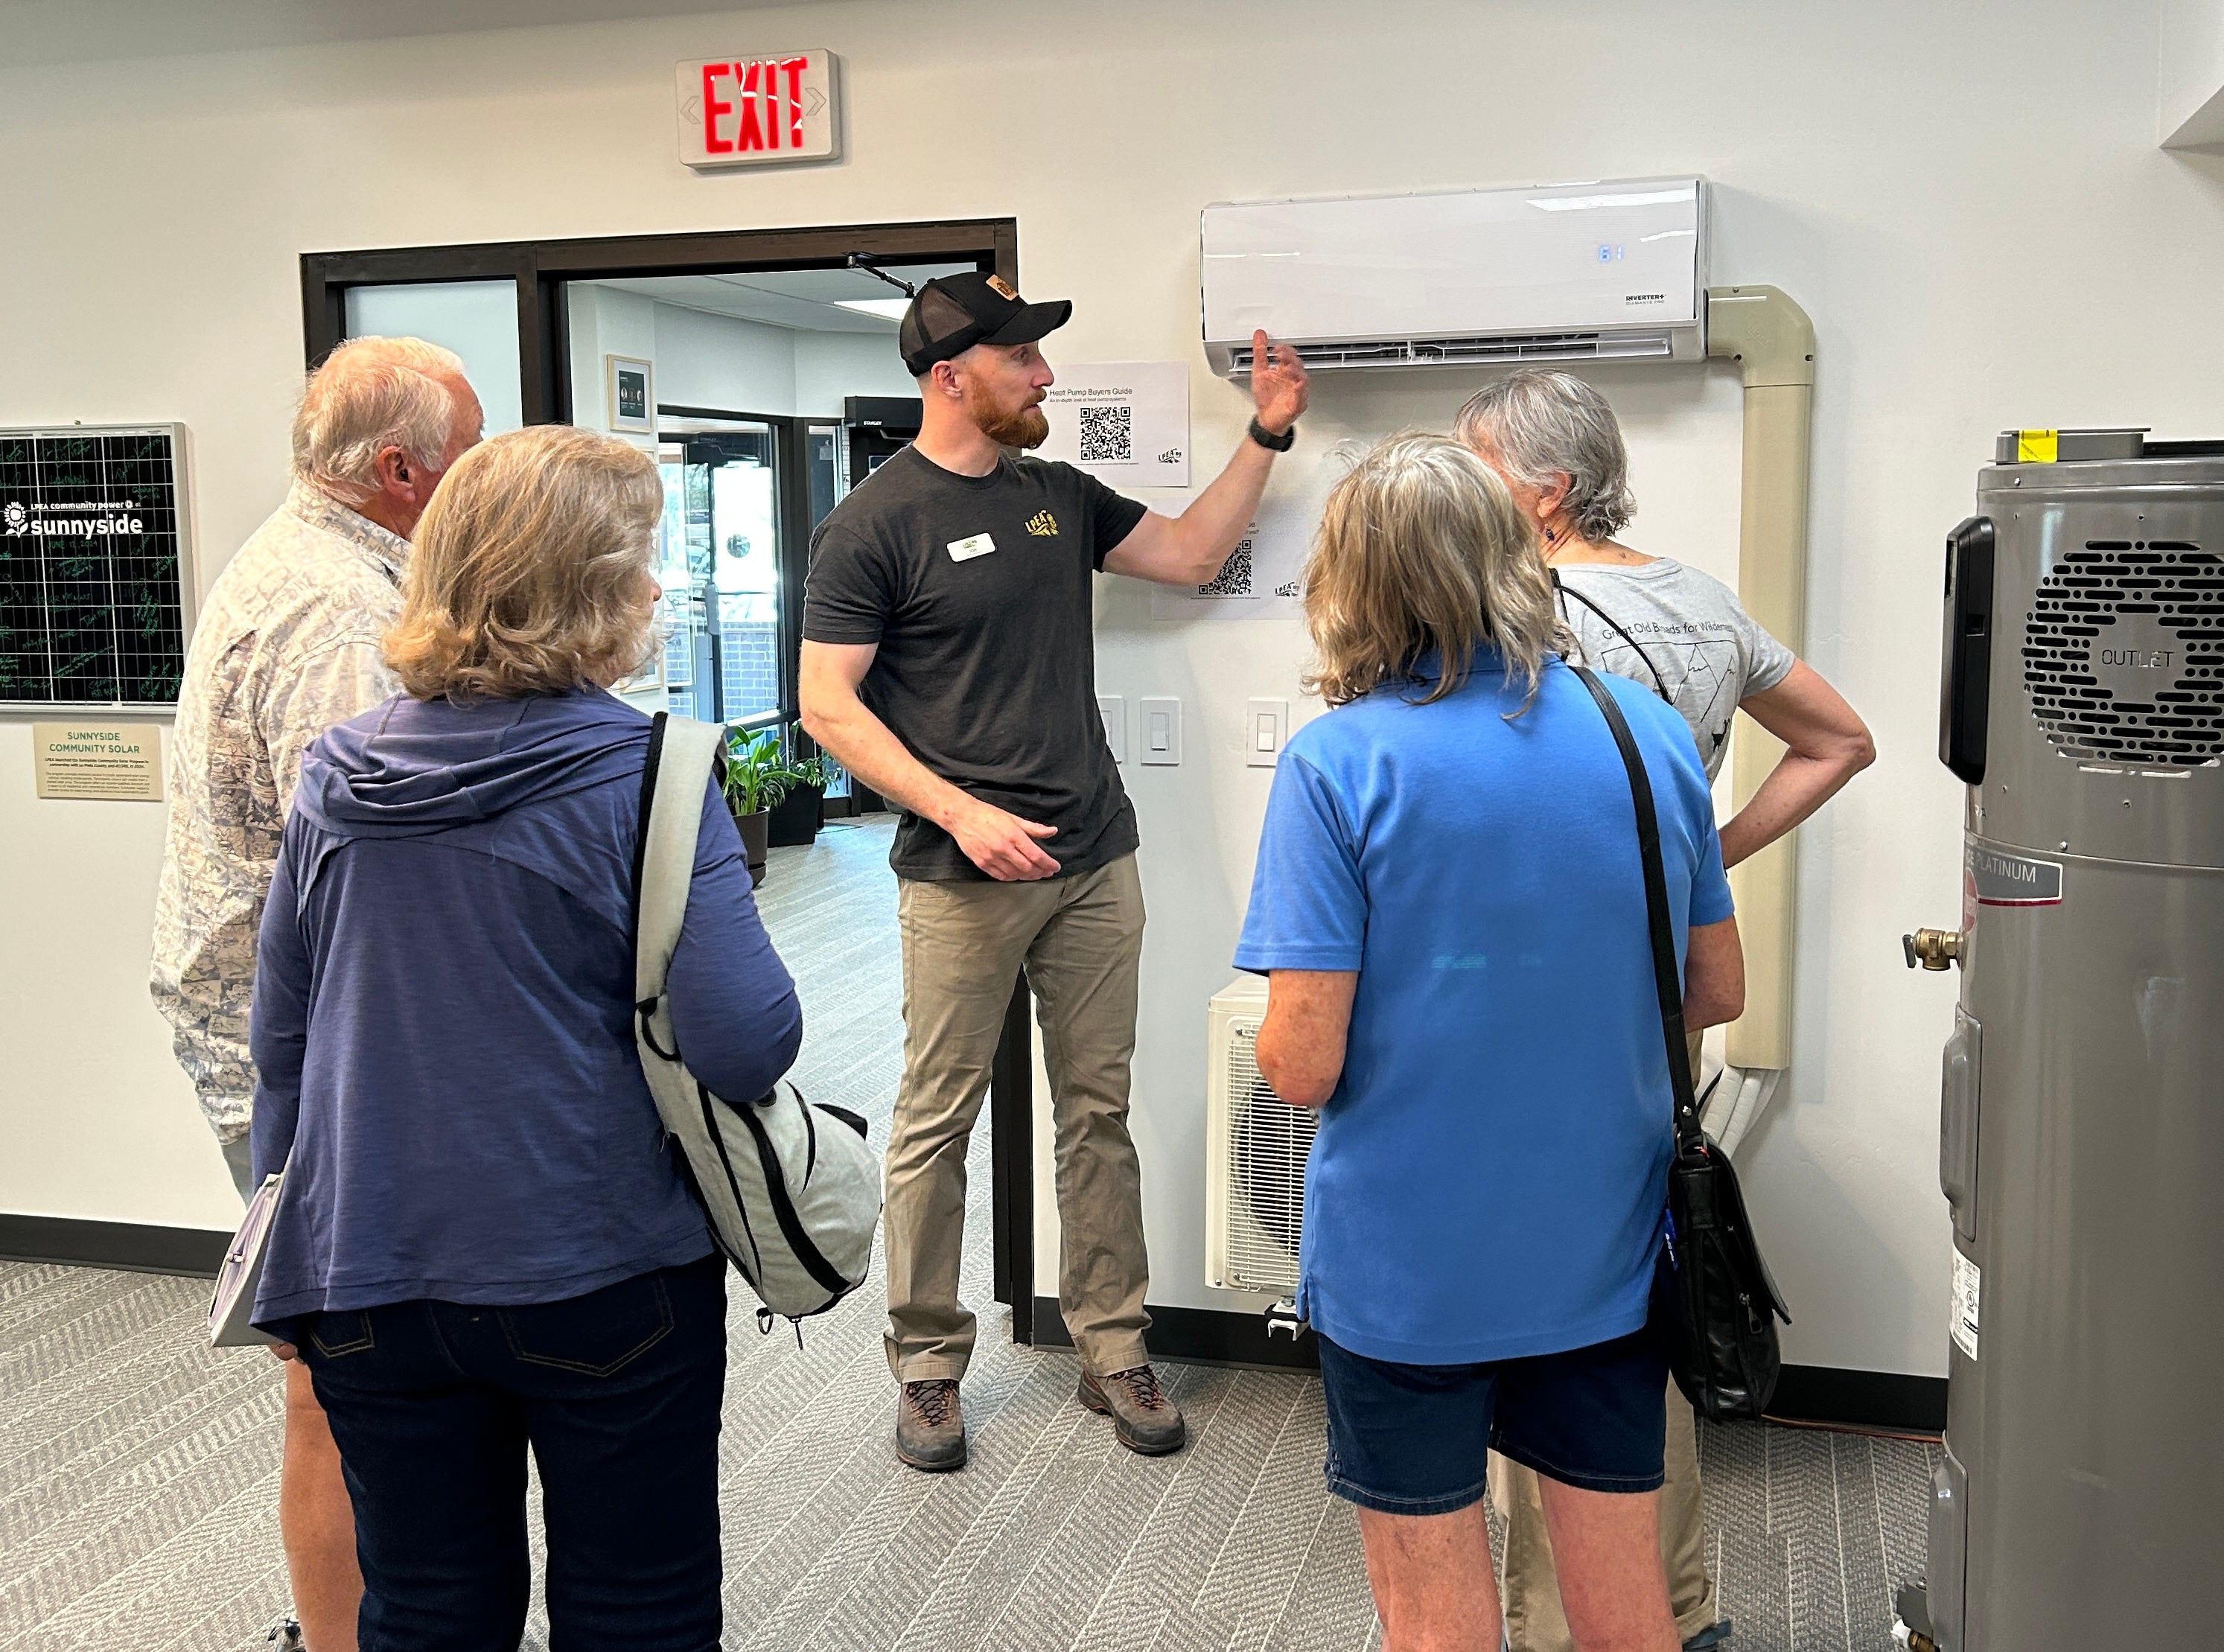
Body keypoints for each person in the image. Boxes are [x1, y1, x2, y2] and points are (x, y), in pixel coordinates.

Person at [248, 423, 802, 1652]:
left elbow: (280, 1039)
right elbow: (745, 1041)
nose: (661, 587)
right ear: (591, 591)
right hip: (599, 1265)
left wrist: (277, 1241)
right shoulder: (651, 776)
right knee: (636, 1607)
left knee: (429, 1608)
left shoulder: (337, 777)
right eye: (641, 560)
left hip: (368, 1271)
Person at [1236, 434, 1746, 1652]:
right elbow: (1713, 986)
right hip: (1604, 1244)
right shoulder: (1646, 735)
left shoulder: (1337, 762)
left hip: (1412, 1266)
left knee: (1435, 1617)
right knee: (1625, 1607)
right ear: (1519, 559)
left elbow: (1303, 1063)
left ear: (1353, 586)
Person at [798, 272, 1310, 1471]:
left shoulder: (1054, 496)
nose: (1043, 375)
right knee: (937, 1121)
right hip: (959, 877)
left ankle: (1111, 1345)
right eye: (1020, 358)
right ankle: (928, 1365)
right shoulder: (873, 523)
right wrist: (960, 814)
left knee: (1097, 1114)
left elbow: (1188, 556)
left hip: (1092, 858)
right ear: (950, 377)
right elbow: (827, 706)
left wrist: (1267, 432)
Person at [1456, 369, 1873, 1652]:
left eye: (1477, 470)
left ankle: (1553, 1620)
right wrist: (1701, 866)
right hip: (1656, 992)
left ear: (1544, 493)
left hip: (1531, 996)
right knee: (1640, 1281)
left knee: (1540, 1308)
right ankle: (1675, 1611)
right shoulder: (1699, 600)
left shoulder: (1521, 611)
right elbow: (1840, 739)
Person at [150, 334, 483, 1652]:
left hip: (287, 1041)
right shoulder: (341, 617)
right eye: (465, 459)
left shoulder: (318, 562)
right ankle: (343, 1639)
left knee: (345, 1373)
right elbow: (372, 887)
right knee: (338, 1384)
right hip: (308, 1064)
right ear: (400, 471)